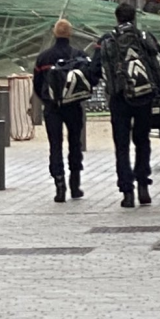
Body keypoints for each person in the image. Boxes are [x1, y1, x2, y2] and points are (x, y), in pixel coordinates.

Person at [89, 2, 160, 208]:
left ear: (117, 18)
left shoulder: (107, 40)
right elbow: (157, 64)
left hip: (119, 98)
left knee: (122, 146)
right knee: (142, 142)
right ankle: (143, 187)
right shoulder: (144, 37)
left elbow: (95, 70)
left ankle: (127, 192)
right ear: (134, 18)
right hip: (143, 97)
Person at [33, 18, 92, 202]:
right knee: (75, 143)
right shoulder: (78, 55)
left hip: (52, 107)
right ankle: (76, 184)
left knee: (55, 145)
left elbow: (37, 84)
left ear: (54, 33)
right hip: (74, 106)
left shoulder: (44, 57)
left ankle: (59, 185)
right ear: (70, 33)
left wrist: (47, 100)